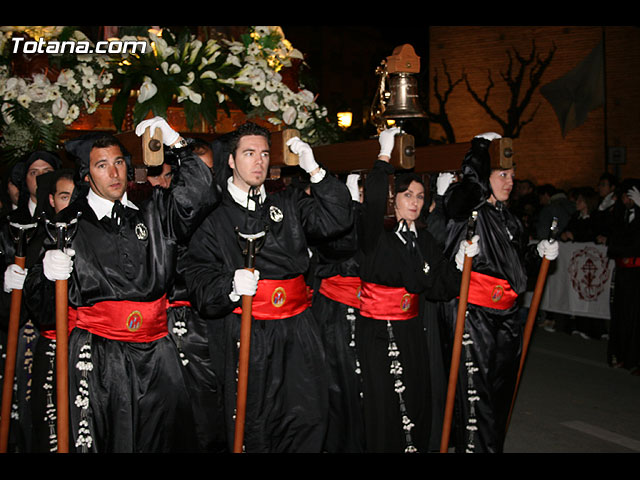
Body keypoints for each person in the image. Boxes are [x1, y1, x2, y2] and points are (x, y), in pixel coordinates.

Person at [23, 116, 218, 453]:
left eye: (118, 163)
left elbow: (199, 195)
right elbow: (43, 312)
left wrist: (177, 145)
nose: (114, 173)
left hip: (157, 350)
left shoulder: (153, 215)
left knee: (165, 438)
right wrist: (44, 273)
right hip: (100, 356)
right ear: (86, 175)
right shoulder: (65, 228)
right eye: (102, 165)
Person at [184, 121, 353, 453]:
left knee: (308, 416)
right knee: (256, 425)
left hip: (298, 329)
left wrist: (316, 172)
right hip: (245, 332)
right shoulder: (213, 217)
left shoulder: (287, 203)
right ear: (231, 161)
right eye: (249, 153)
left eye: (263, 153)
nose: (258, 162)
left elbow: (338, 219)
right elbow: (199, 283)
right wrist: (229, 286)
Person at [355, 127, 472, 453]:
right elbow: (376, 197)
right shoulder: (376, 235)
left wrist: (459, 265)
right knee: (385, 404)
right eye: (408, 195)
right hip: (378, 332)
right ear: (396, 198)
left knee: (415, 397)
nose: (415, 202)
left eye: (420, 196)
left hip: (411, 330)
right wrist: (383, 155)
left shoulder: (425, 239)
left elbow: (440, 287)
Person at [441, 132, 558, 453]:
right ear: (485, 177)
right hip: (473, 313)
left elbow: (516, 269)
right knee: (477, 397)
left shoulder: (510, 219)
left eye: (512, 176)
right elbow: (464, 193)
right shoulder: (469, 208)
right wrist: (479, 149)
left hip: (505, 316)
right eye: (502, 175)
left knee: (500, 390)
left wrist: (538, 256)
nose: (510, 182)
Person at [0, 150, 61, 452]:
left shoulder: (65, 219)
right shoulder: (10, 224)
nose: (41, 178)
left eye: (47, 170)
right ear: (24, 180)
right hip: (21, 327)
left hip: (58, 330)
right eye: (34, 172)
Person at [310, 172, 366, 453]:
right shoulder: (327, 223)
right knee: (336, 386)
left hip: (364, 307)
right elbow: (339, 249)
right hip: (332, 311)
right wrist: (350, 209)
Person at [606, 178, 640, 375]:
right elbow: (613, 242)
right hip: (623, 274)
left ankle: (634, 359)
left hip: (637, 275)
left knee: (635, 317)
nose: (626, 199)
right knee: (621, 315)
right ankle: (622, 355)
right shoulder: (621, 214)